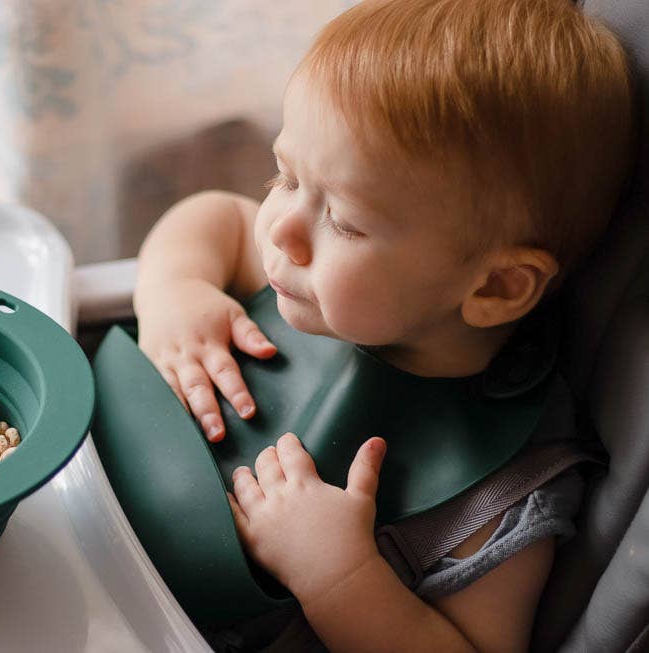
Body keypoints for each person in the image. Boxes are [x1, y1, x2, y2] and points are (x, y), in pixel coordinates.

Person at [132, 0, 635, 649]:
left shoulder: (498, 495)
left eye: (342, 219)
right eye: (283, 175)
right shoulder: (306, 274)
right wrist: (174, 290)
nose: (278, 228)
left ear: (494, 287)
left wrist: (337, 574)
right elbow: (212, 218)